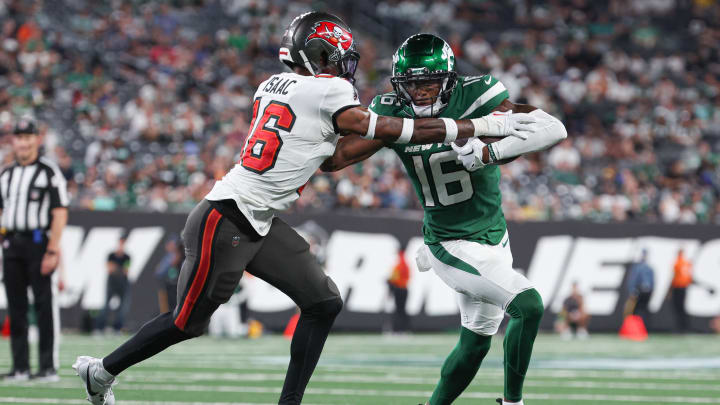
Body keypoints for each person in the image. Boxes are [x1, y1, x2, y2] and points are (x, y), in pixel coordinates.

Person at [72, 13, 542, 405]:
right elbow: (385, 129)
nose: (341, 65)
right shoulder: (328, 92)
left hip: (257, 220)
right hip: (226, 217)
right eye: (332, 56)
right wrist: (473, 126)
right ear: (313, 57)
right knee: (186, 322)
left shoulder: (270, 85)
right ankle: (102, 372)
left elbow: (333, 155)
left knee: (323, 302)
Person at [321, 33, 567, 405]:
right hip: (450, 242)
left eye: (429, 82)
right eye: (412, 83)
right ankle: (513, 404)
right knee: (528, 305)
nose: (420, 92)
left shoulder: (478, 94)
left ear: (450, 80)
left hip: (495, 237)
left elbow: (552, 128)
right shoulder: (392, 112)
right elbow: (336, 159)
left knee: (474, 345)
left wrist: (489, 152)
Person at [0, 118, 69, 382]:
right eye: (19, 137)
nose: (24, 142)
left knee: (43, 306)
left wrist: (52, 251)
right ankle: (20, 367)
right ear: (13, 141)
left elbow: (60, 212)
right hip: (11, 244)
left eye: (29, 137)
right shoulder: (6, 174)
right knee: (15, 307)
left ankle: (47, 366)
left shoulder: (49, 172)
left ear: (37, 140)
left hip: (39, 243)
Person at [95, 237, 131, 333]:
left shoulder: (127, 257)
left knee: (122, 307)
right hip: (112, 283)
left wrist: (116, 268)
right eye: (120, 243)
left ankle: (117, 328)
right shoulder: (111, 255)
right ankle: (100, 327)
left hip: (123, 284)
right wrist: (119, 269)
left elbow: (126, 271)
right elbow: (110, 269)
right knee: (106, 305)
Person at [627, 249, 655, 327]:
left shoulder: (647, 268)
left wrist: (633, 290)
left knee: (642, 309)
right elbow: (633, 280)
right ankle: (637, 327)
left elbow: (652, 281)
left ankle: (643, 327)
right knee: (637, 309)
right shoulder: (639, 268)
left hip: (644, 292)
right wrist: (633, 290)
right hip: (640, 291)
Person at [387, 249, 410, 333]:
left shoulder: (400, 264)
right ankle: (404, 328)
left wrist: (389, 281)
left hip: (399, 289)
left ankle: (399, 328)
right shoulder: (405, 264)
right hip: (404, 289)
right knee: (402, 310)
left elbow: (394, 278)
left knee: (399, 310)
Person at [669, 248, 692, 332]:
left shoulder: (678, 263)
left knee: (678, 308)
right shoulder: (687, 263)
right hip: (684, 287)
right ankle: (684, 327)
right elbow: (689, 277)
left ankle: (680, 327)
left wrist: (670, 290)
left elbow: (674, 277)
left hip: (678, 287)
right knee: (682, 308)